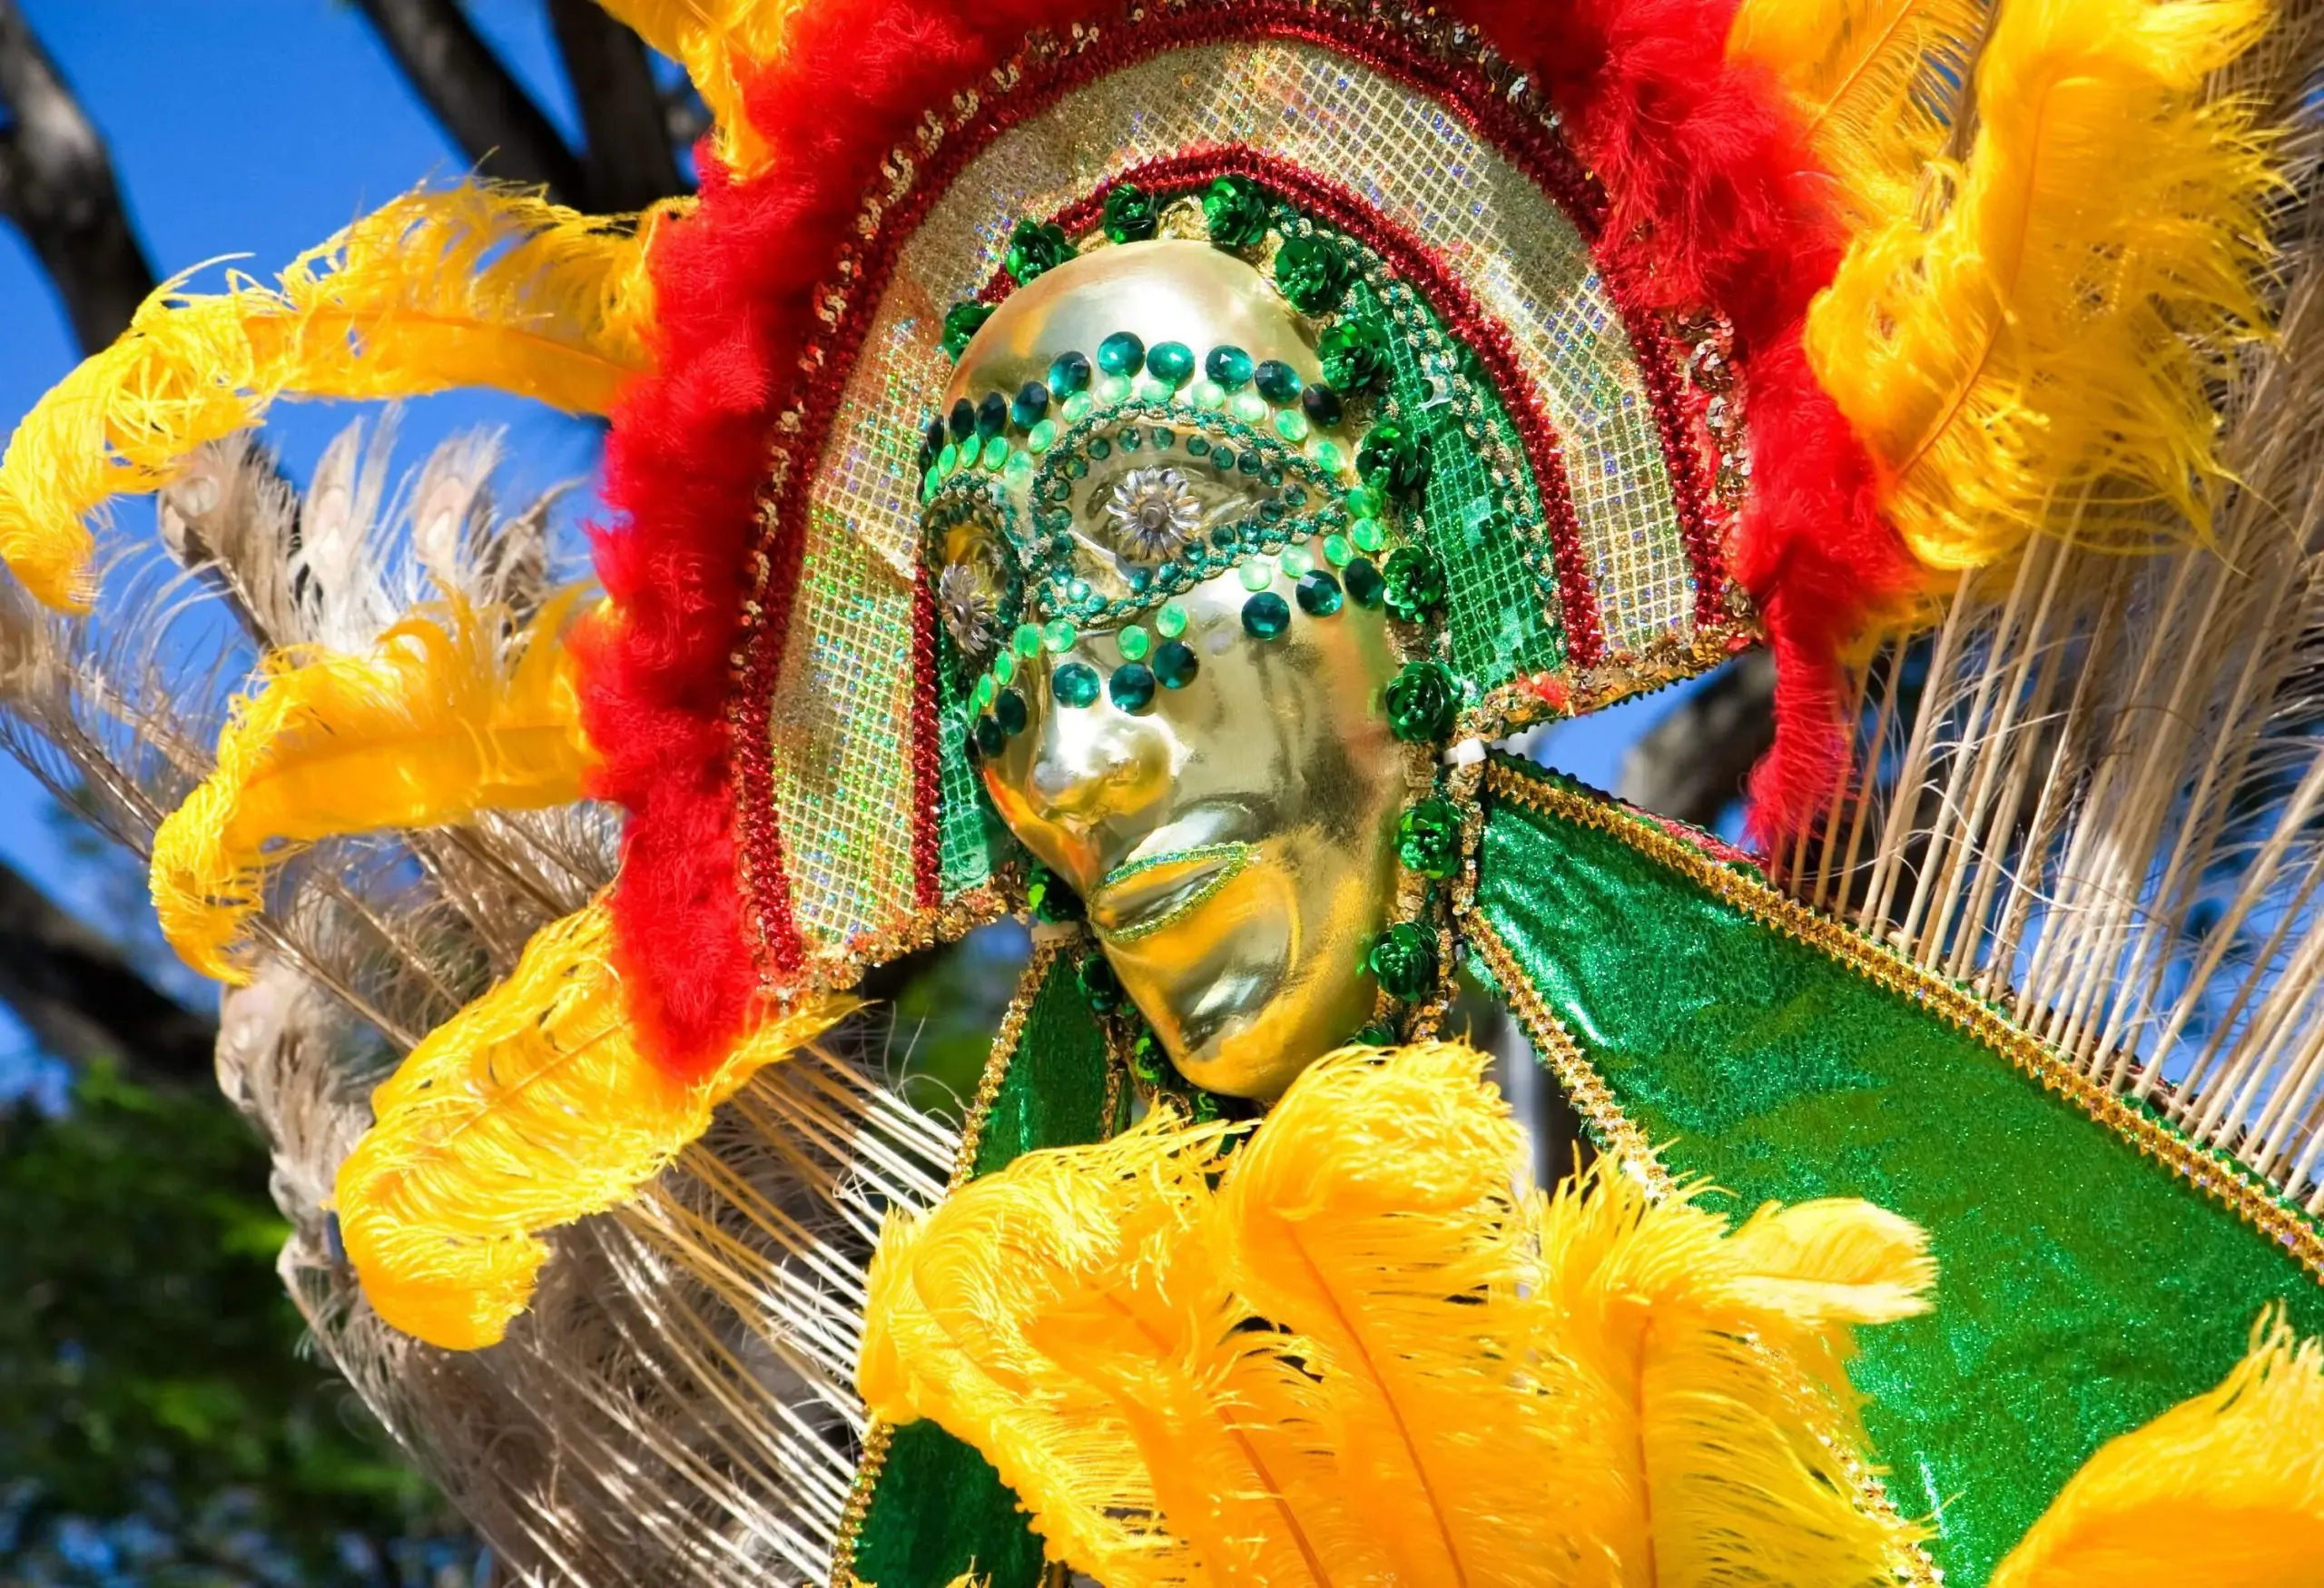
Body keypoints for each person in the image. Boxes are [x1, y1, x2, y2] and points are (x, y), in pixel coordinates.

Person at [2, 0, 2319, 1582]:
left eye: (1155, 572)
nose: (1073, 751)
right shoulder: (998, 1389)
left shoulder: (1900, 1264)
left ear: (1411, 604)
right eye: (987, 675)